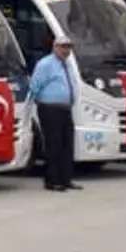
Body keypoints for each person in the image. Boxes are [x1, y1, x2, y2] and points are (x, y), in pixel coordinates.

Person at [30, 36, 83, 192]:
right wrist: (40, 102)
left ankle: (66, 179)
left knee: (67, 144)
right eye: (63, 47)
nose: (66, 50)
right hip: (50, 108)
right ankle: (52, 180)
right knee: (54, 144)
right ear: (55, 47)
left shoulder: (67, 65)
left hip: (65, 108)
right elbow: (35, 85)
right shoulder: (46, 64)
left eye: (68, 47)